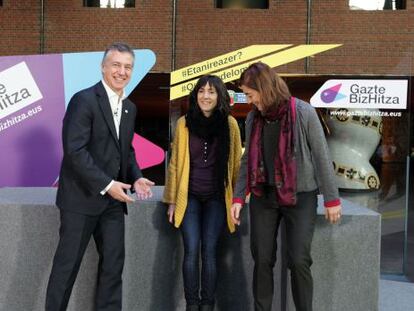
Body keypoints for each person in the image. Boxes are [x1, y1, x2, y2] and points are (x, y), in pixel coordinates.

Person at [45, 42, 154, 311]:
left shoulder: (129, 107)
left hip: (113, 205)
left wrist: (137, 176)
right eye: (116, 65)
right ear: (103, 67)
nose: (122, 71)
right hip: (80, 201)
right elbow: (75, 150)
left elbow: (125, 149)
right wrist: (107, 184)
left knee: (112, 269)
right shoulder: (83, 100)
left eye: (127, 66)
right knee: (66, 269)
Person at [230, 62, 342, 311]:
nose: (250, 101)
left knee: (299, 261)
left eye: (250, 94)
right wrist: (238, 197)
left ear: (264, 89)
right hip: (264, 196)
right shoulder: (252, 118)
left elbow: (321, 154)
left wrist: (332, 199)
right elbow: (247, 159)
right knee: (262, 259)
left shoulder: (303, 112)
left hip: (300, 196)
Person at [163, 75, 242, 311]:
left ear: (219, 96)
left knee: (209, 251)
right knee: (191, 250)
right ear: (195, 95)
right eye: (201, 92)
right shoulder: (183, 123)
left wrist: (236, 200)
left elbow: (236, 163)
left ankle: (207, 304)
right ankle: (192, 304)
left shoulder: (230, 124)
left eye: (211, 92)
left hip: (217, 198)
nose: (205, 96)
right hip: (190, 197)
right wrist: (171, 200)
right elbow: (175, 164)